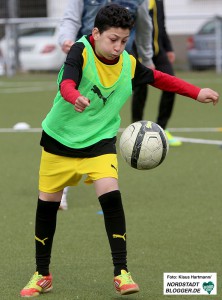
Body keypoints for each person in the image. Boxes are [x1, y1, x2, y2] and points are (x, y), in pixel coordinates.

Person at [20, 4, 219, 298]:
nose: (118, 47)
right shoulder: (81, 51)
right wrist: (74, 96)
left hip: (99, 142)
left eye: (124, 41)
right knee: (47, 208)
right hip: (59, 141)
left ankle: (121, 272)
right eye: (113, 39)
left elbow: (159, 78)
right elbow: (67, 81)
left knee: (111, 197)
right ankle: (42, 274)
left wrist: (195, 92)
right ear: (96, 33)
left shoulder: (127, 63)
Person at [58, 0, 154, 210]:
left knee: (103, 125)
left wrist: (147, 60)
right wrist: (66, 39)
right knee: (70, 125)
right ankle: (62, 187)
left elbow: (145, 27)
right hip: (86, 68)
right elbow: (71, 18)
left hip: (116, 73)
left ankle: (106, 187)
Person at [132, 0, 181, 146]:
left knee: (171, 85)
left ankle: (162, 128)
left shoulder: (158, 1)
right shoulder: (133, 2)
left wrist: (169, 47)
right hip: (138, 51)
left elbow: (162, 25)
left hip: (159, 52)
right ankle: (136, 131)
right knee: (141, 90)